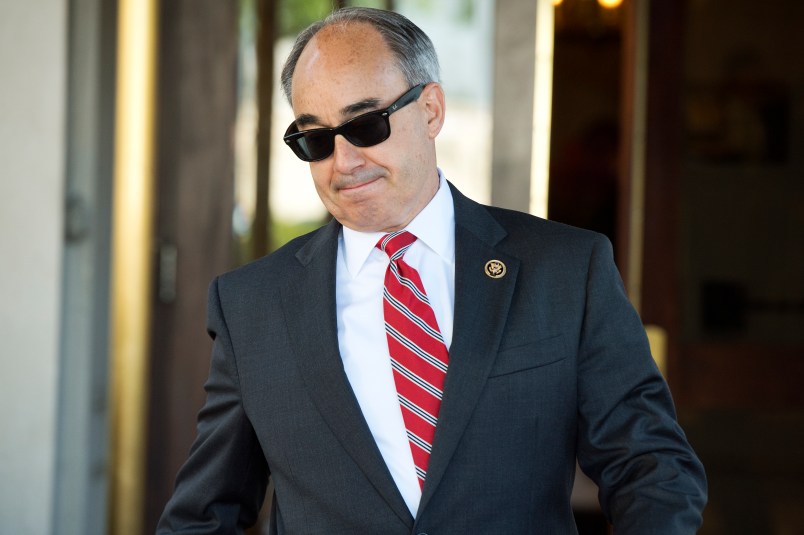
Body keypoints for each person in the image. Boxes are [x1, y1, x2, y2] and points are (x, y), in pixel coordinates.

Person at [157, 7, 706, 534]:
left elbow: (651, 468)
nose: (343, 161)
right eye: (316, 139)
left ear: (431, 110)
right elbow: (204, 513)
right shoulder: (252, 305)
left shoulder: (564, 269)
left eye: (367, 125)